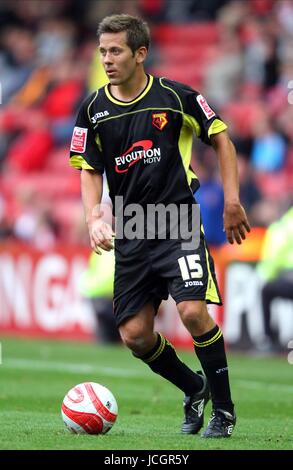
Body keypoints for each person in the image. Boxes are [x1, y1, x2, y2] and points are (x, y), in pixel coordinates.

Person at [69, 14, 250, 438]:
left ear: (140, 53)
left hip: (177, 222)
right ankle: (194, 387)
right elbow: (88, 168)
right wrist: (94, 215)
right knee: (134, 336)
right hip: (131, 229)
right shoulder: (93, 109)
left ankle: (223, 411)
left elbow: (221, 136)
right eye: (102, 52)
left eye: (115, 51)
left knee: (192, 312)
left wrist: (232, 200)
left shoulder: (175, 97)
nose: (107, 60)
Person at [257, 206, 293, 351]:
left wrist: (268, 275)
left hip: (287, 276)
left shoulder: (283, 226)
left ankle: (269, 340)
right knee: (267, 290)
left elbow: (274, 256)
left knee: (266, 290)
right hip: (287, 276)